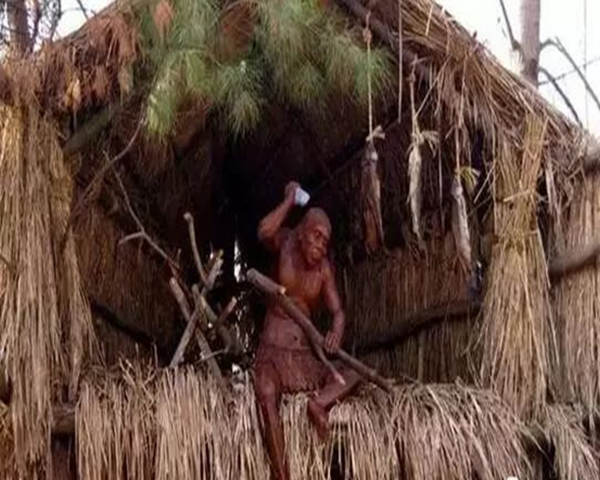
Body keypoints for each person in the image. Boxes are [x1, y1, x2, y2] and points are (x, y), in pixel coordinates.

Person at [253, 181, 361, 480]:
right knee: (266, 391)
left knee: (352, 374)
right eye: (316, 236)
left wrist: (336, 331)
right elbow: (263, 232)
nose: (320, 246)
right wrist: (290, 198)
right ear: (302, 232)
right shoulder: (285, 241)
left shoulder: (323, 269)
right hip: (273, 353)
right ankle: (282, 475)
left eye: (326, 241)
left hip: (303, 358)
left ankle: (318, 404)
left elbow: (338, 312)